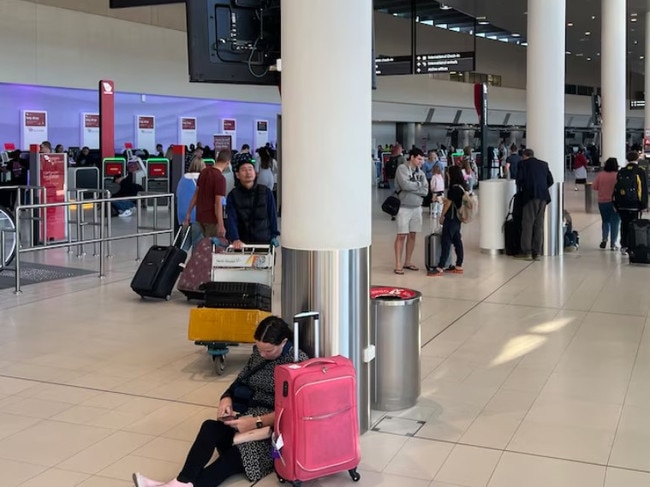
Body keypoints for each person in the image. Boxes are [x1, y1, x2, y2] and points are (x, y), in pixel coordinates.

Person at [132, 316, 309, 487]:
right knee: (210, 427)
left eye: (268, 351)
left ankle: (174, 484)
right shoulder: (258, 355)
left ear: (284, 342)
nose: (262, 354)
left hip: (272, 435)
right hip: (245, 421)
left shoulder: (298, 363)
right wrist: (226, 399)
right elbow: (241, 380)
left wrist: (256, 422)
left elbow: (293, 412)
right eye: (259, 348)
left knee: (231, 460)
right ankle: (180, 482)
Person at [226, 158, 279, 249]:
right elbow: (231, 219)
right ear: (237, 175)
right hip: (242, 244)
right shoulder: (233, 195)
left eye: (250, 169)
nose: (248, 172)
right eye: (244, 170)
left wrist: (273, 236)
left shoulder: (266, 192)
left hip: (264, 242)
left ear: (255, 172)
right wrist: (235, 238)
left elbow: (272, 215)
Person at [514, 148, 554, 261]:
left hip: (530, 196)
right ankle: (537, 251)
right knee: (538, 224)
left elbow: (519, 180)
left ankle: (526, 251)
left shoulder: (523, 164)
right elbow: (550, 181)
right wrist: (541, 187)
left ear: (524, 156)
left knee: (527, 223)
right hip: (544, 197)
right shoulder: (544, 164)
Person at [393, 147, 428, 274]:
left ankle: (408, 261)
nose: (421, 161)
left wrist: (414, 186)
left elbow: (426, 190)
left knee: (413, 235)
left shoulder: (421, 172)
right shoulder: (402, 169)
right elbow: (405, 185)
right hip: (404, 207)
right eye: (419, 159)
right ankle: (398, 264)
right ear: (412, 157)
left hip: (417, 208)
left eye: (422, 159)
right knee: (401, 235)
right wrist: (418, 185)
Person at [427, 165, 466, 276]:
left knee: (446, 242)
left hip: (451, 218)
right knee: (457, 240)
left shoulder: (453, 188)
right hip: (457, 218)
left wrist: (442, 215)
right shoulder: (462, 187)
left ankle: (440, 267)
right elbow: (453, 201)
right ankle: (459, 265)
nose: (447, 175)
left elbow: (448, 203)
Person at [184, 149, 229, 238]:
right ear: (227, 163)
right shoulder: (220, 178)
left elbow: (195, 195)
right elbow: (217, 203)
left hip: (199, 217)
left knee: (200, 247)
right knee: (213, 248)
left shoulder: (204, 172)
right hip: (212, 219)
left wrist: (188, 213)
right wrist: (221, 224)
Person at [613, 151, 649, 255]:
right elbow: (643, 189)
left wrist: (615, 203)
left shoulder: (621, 171)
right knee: (634, 225)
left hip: (622, 203)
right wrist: (644, 204)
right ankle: (632, 245)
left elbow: (616, 187)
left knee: (624, 224)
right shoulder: (639, 171)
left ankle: (623, 245)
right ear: (637, 159)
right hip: (634, 204)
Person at [177, 158, 206, 251]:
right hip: (197, 216)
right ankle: (194, 265)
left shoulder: (182, 179)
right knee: (197, 245)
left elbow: (178, 194)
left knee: (184, 244)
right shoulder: (203, 179)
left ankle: (178, 263)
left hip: (182, 216)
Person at [592, 157, 621, 251]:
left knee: (605, 221)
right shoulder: (618, 175)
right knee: (615, 223)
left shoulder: (601, 175)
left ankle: (604, 239)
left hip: (602, 202)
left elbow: (594, 187)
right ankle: (613, 244)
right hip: (615, 202)